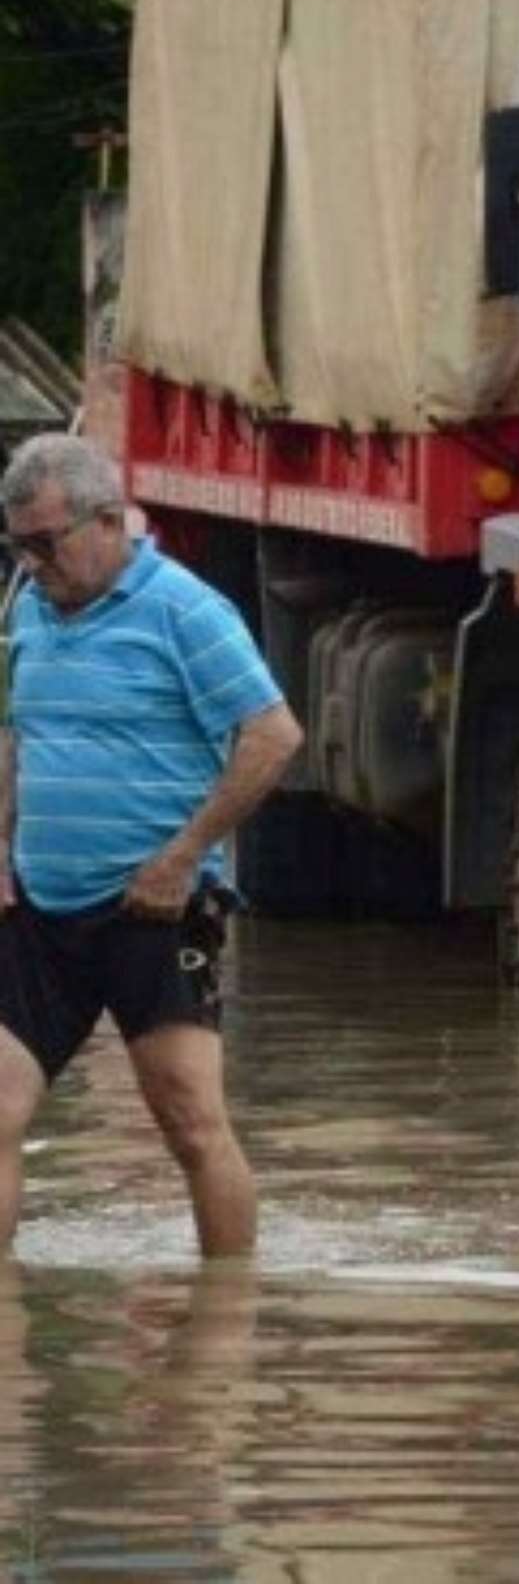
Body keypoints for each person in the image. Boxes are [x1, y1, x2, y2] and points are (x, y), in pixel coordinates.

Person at [0, 433, 303, 1257]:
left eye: (44, 544)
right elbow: (17, 737)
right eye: (16, 545)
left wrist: (181, 856)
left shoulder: (185, 610)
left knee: (192, 1126)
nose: (31, 564)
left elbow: (273, 735)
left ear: (109, 521)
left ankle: (227, 1313)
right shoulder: (26, 608)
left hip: (153, 911)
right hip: (38, 909)